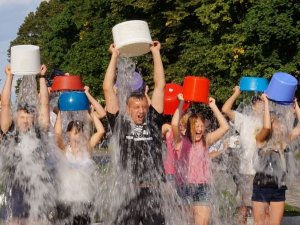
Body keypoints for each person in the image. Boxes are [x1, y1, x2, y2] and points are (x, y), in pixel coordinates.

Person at [103, 41, 166, 225]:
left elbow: (160, 84)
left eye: (143, 107)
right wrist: (114, 55)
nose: (140, 111)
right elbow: (107, 88)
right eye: (136, 107)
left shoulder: (153, 121)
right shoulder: (120, 123)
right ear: (127, 109)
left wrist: (155, 53)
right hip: (127, 191)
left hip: (152, 191)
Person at [0, 64, 55, 225]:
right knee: (16, 221)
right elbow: (5, 105)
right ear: (16, 118)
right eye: (21, 117)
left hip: (37, 185)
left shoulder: (38, 132)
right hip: (16, 186)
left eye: (28, 117)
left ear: (33, 118)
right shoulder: (10, 131)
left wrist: (42, 77)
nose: (25, 120)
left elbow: (44, 105)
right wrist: (9, 77)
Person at [172, 94, 229, 225]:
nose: (200, 129)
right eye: (196, 126)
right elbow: (174, 124)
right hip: (184, 187)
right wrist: (181, 103)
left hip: (203, 187)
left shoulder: (205, 140)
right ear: (189, 127)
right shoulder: (180, 141)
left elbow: (225, 128)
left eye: (202, 126)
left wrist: (213, 106)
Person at [252, 95, 300, 225]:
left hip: (279, 187)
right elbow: (266, 127)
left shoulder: (284, 142)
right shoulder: (261, 140)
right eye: (277, 123)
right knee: (260, 223)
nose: (281, 126)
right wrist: (266, 103)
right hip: (261, 186)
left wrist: (296, 107)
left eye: (281, 124)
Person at [54, 105, 105, 225]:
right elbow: (57, 134)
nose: (78, 136)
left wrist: (92, 114)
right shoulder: (65, 149)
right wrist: (60, 113)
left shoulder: (87, 148)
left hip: (84, 200)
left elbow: (101, 131)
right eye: (75, 133)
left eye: (80, 132)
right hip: (65, 200)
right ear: (68, 134)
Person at [222, 86, 264, 225]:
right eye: (260, 105)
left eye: (264, 105)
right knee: (244, 207)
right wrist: (236, 93)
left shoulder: (268, 122)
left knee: (264, 208)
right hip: (246, 171)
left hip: (263, 172)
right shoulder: (244, 120)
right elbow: (225, 110)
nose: (262, 108)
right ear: (253, 107)